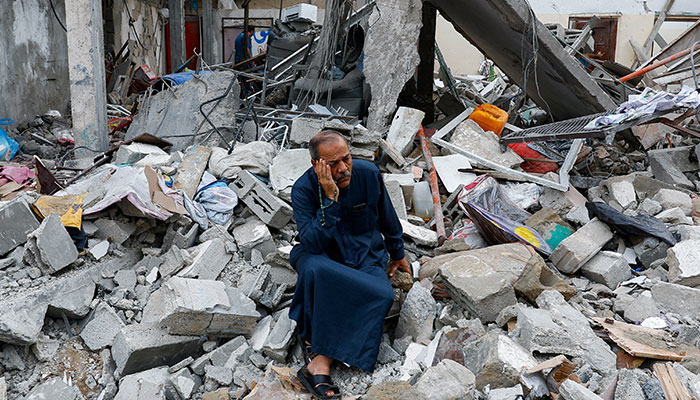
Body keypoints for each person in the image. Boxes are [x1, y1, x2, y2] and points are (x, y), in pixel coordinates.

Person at [289, 130, 411, 399]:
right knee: (313, 269)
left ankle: (318, 351)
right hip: (324, 256)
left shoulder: (367, 174)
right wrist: (330, 199)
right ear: (316, 165)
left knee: (382, 294)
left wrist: (397, 251)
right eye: (333, 164)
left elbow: (386, 215)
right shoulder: (303, 189)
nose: (343, 169)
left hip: (365, 254)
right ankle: (321, 362)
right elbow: (313, 243)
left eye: (347, 159)